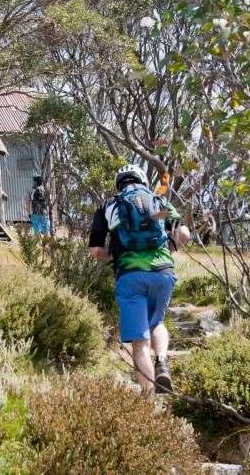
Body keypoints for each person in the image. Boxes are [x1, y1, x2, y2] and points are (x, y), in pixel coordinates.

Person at [88, 164, 190, 393]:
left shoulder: (109, 205)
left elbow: (95, 251)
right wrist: (170, 250)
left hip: (129, 275)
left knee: (139, 343)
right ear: (142, 180)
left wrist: (116, 254)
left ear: (119, 183)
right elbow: (184, 234)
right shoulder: (158, 200)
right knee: (157, 323)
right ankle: (162, 361)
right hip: (163, 272)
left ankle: (148, 400)